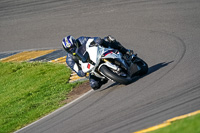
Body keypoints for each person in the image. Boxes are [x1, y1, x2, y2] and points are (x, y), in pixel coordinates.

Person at [62, 35, 134, 90]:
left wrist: (97, 40)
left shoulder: (81, 40)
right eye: (69, 49)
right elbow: (77, 70)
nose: (72, 50)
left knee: (107, 40)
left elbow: (92, 39)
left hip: (97, 53)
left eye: (72, 47)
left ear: (75, 43)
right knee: (94, 85)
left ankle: (126, 52)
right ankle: (106, 76)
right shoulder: (69, 59)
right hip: (90, 66)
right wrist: (80, 73)